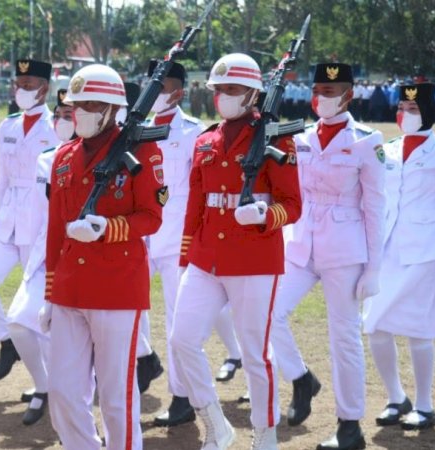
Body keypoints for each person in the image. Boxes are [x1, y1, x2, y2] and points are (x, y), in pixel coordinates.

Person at [170, 53, 301, 449]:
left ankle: (265, 435)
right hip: (206, 257)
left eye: (232, 89)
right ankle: (214, 421)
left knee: (255, 352)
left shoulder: (277, 138)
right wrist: (185, 256)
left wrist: (263, 214)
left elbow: (293, 204)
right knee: (181, 340)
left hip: (254, 258)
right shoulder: (206, 139)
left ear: (252, 95)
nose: (223, 96)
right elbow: (195, 202)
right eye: (219, 89)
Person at [45, 63, 163, 450]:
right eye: (76, 103)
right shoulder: (63, 157)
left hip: (117, 288)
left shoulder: (142, 150)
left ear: (113, 109)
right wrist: (49, 291)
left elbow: (151, 216)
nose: (79, 111)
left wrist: (106, 228)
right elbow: (53, 229)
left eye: (91, 104)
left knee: (116, 397)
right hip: (69, 289)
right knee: (62, 391)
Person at [271, 63, 386, 450]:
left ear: (348, 95)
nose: (321, 97)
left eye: (331, 90)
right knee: (270, 313)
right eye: (317, 89)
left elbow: (375, 208)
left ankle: (349, 425)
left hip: (344, 249)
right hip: (302, 244)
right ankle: (302, 378)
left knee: (344, 338)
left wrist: (374, 268)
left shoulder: (366, 142)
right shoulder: (302, 137)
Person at [363, 83, 435, 432]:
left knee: (418, 328)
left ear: (428, 112)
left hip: (424, 252)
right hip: (387, 250)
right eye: (402, 108)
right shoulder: (389, 151)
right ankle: (396, 397)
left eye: (413, 110)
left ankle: (426, 406)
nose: (405, 115)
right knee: (374, 325)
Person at [0, 58, 59, 383]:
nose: (21, 90)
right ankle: (7, 343)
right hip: (9, 222)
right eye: (18, 85)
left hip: (40, 223)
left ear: (45, 88)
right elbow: (1, 178)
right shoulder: (7, 125)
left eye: (29, 85)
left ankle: (47, 383)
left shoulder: (57, 126)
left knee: (38, 309)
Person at [140, 60, 205, 428]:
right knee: (122, 303)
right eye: (151, 84)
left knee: (175, 319)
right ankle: (144, 359)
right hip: (141, 233)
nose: (155, 91)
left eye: (161, 85)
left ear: (179, 91)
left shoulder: (194, 132)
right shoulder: (138, 129)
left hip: (177, 236)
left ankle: (181, 397)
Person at [5, 88, 75, 427]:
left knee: (66, 341)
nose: (62, 121)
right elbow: (36, 214)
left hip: (80, 258)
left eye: (69, 115)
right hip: (44, 256)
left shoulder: (102, 158)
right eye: (58, 114)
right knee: (18, 322)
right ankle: (43, 385)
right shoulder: (45, 159)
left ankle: (73, 420)